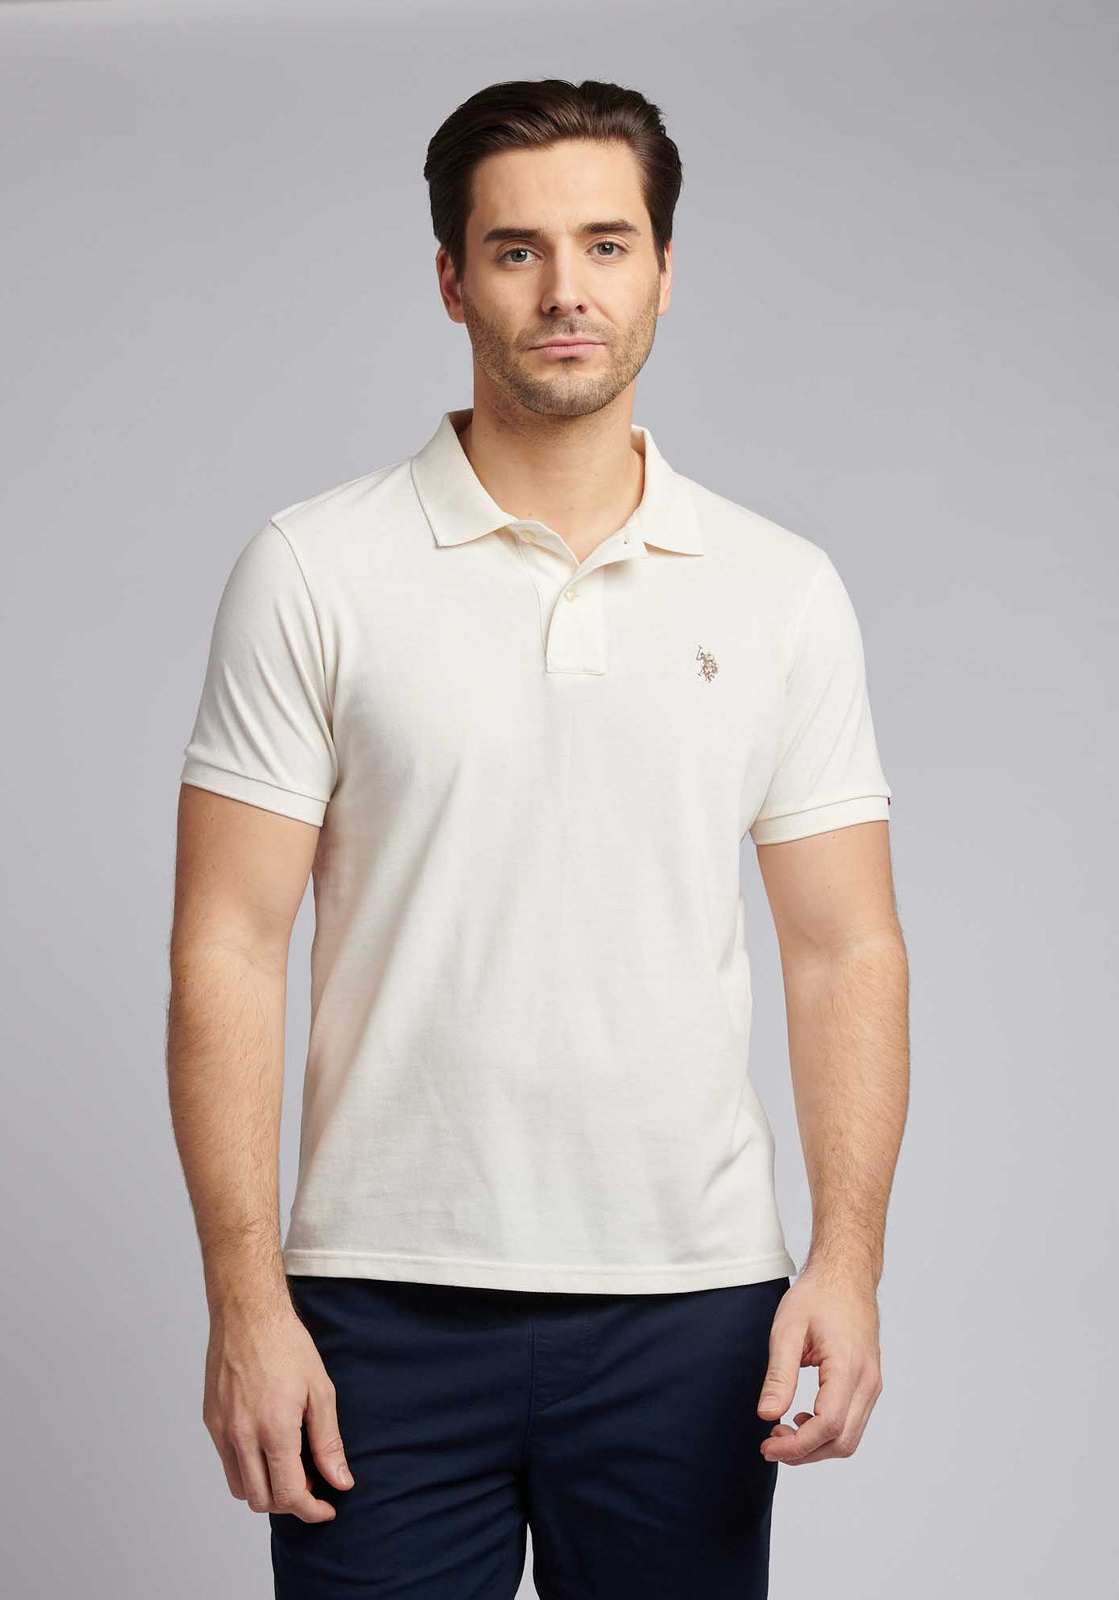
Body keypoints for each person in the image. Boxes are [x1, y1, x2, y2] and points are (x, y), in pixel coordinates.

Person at [167, 76, 909, 1600]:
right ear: (451, 280)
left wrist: (848, 1260)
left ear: (664, 269)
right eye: (517, 251)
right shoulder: (315, 570)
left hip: (692, 1311)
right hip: (376, 1307)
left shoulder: (779, 589)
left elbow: (846, 948)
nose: (567, 290)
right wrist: (245, 1298)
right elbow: (227, 946)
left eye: (606, 245)